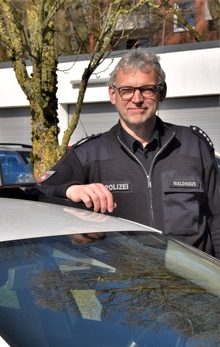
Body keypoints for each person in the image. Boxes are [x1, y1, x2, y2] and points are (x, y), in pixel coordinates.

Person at [36, 48, 219, 257]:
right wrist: (69, 191)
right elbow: (35, 194)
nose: (137, 99)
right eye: (127, 90)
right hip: (123, 278)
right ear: (113, 95)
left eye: (147, 89)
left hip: (192, 276)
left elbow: (218, 219)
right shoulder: (89, 154)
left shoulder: (193, 146)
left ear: (162, 93)